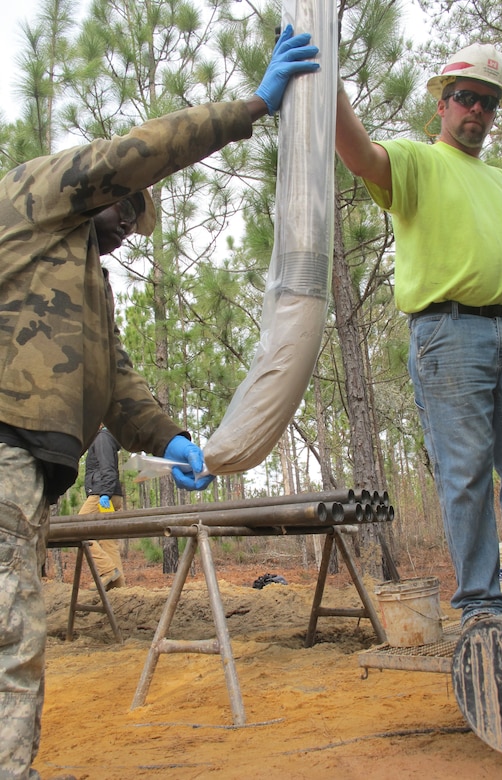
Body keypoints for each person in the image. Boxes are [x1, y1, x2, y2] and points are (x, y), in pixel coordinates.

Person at [0, 25, 319, 780]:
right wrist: (250, 107)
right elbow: (134, 152)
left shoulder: (81, 276)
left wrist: (171, 437)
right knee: (11, 637)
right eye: (125, 214)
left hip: (28, 464)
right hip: (4, 444)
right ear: (108, 193)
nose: (124, 233)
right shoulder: (36, 190)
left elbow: (114, 379)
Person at [335, 43, 502, 629]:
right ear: (442, 105)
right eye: (466, 97)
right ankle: (479, 602)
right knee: (466, 469)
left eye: (488, 102)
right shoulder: (418, 162)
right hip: (448, 334)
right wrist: (328, 88)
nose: (477, 109)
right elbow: (360, 156)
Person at [78, 426, 126, 590]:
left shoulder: (102, 437)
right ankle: (119, 590)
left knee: (78, 529)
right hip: (110, 494)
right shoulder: (105, 436)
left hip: (102, 494)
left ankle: (106, 570)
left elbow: (107, 467)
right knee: (108, 542)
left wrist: (105, 493)